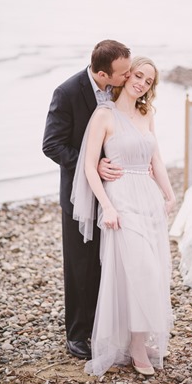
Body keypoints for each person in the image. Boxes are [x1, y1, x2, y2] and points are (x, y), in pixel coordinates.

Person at [71, 56, 176, 376]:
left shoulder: (147, 114)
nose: (142, 83)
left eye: (148, 81)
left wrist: (170, 195)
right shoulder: (104, 115)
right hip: (120, 199)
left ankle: (139, 338)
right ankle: (133, 346)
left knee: (153, 271)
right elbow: (90, 165)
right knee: (138, 270)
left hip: (147, 199)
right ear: (128, 76)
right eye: (138, 75)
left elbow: (155, 158)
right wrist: (108, 207)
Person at [42, 40, 131, 360]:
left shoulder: (121, 89)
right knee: (81, 265)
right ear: (103, 73)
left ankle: (107, 327)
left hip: (118, 192)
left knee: (111, 261)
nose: (129, 75)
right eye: (124, 72)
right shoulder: (67, 93)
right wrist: (91, 164)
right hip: (79, 196)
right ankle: (78, 334)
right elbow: (52, 145)